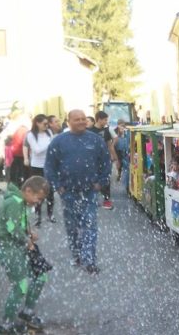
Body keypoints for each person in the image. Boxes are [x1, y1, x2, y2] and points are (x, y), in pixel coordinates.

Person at [45, 110, 111, 274]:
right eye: (77, 119)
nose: (81, 121)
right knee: (72, 226)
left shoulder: (95, 140)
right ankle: (76, 254)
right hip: (68, 192)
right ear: (69, 122)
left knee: (90, 225)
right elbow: (50, 166)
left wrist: (101, 182)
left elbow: (105, 161)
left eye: (83, 119)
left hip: (89, 191)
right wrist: (57, 186)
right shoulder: (59, 141)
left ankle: (89, 260)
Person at [0, 176, 49, 334]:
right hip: (10, 250)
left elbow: (19, 223)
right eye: (38, 198)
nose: (38, 202)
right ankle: (6, 324)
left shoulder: (21, 202)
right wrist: (27, 240)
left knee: (41, 276)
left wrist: (29, 232)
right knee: (20, 286)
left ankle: (27, 312)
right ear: (28, 191)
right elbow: (11, 227)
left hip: (20, 247)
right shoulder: (13, 202)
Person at [26, 114, 55, 226]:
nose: (46, 126)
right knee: (38, 192)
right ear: (37, 123)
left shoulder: (49, 133)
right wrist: (50, 144)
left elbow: (53, 148)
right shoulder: (31, 135)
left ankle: (50, 214)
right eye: (44, 124)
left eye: (47, 124)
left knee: (50, 191)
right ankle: (38, 216)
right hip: (37, 166)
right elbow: (37, 150)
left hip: (48, 165)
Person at [88, 111, 118, 210]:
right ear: (99, 119)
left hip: (104, 159)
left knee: (106, 179)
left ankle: (106, 200)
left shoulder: (106, 131)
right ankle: (93, 199)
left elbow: (109, 145)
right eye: (105, 120)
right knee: (93, 179)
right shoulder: (90, 131)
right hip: (93, 160)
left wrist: (114, 157)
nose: (106, 122)